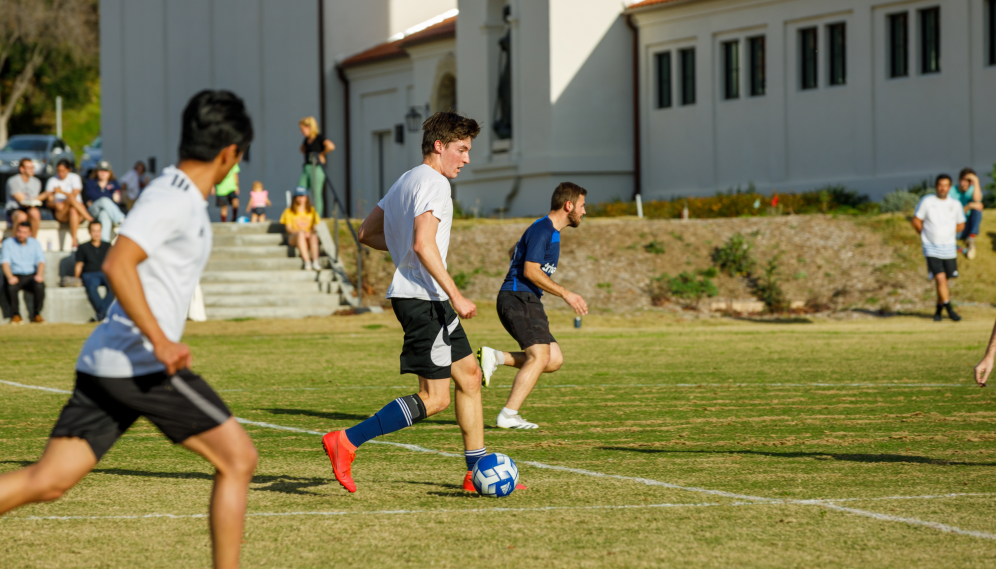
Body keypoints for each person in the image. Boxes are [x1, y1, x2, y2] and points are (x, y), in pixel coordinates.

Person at [0, 90, 258, 569]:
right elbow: (119, 262)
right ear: (229, 154)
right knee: (239, 459)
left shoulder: (178, 195)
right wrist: (161, 341)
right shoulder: (174, 197)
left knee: (48, 481)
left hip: (108, 360)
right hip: (141, 362)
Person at [321, 111, 497, 494]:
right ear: (439, 146)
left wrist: (403, 245)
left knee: (469, 376)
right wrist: (456, 293)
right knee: (434, 400)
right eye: (461, 149)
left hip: (423, 295)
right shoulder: (435, 185)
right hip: (423, 299)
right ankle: (346, 441)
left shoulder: (406, 180)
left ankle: (476, 473)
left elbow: (367, 233)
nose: (466, 158)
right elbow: (422, 243)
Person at [476, 183, 590, 430]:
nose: (584, 211)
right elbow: (530, 270)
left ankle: (495, 357)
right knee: (540, 356)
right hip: (519, 297)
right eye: (582, 205)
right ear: (568, 205)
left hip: (524, 297)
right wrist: (566, 294)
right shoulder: (543, 230)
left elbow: (513, 252)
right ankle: (508, 414)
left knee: (553, 359)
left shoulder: (549, 231)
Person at [913, 174, 965, 322]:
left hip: (949, 247)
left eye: (946, 185)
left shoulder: (955, 204)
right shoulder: (927, 201)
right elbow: (916, 220)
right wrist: (926, 235)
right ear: (936, 186)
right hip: (931, 247)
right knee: (940, 278)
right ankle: (950, 309)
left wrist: (947, 234)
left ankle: (938, 310)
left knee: (944, 281)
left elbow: (961, 224)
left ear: (950, 187)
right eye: (940, 185)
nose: (943, 188)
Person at [1, 221, 45, 323]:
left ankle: (36, 314)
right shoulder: (8, 243)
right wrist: (10, 276)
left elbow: (41, 261)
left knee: (40, 285)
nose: (21, 235)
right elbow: (5, 263)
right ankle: (16, 315)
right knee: (10, 287)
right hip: (15, 274)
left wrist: (39, 275)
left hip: (31, 275)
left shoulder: (35, 243)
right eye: (19, 232)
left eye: (24, 232)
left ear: (29, 233)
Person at [44, 159, 94, 250]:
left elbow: (74, 195)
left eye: (63, 171)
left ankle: (74, 242)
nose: (60, 173)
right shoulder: (52, 181)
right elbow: (48, 202)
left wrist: (60, 192)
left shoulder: (75, 178)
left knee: (73, 209)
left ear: (69, 169)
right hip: (61, 213)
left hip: (77, 213)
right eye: (58, 171)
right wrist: (55, 205)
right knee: (70, 203)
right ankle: (91, 220)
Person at [74, 221, 114, 321]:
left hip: (105, 273)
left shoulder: (108, 245)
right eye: (93, 231)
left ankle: (100, 315)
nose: (96, 233)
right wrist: (76, 279)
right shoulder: (83, 247)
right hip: (89, 274)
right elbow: (79, 264)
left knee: (113, 286)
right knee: (92, 286)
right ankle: (104, 314)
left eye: (98, 231)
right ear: (89, 232)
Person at [5, 158, 50, 238]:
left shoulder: (37, 182)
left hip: (29, 208)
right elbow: (23, 202)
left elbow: (33, 201)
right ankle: (14, 243)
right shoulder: (13, 181)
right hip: (14, 208)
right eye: (29, 168)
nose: (32, 170)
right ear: (22, 169)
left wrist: (48, 194)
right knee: (21, 216)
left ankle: (33, 241)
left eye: (33, 167)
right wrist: (44, 195)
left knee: (35, 213)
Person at [83, 161, 125, 243]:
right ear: (97, 171)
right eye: (101, 170)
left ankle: (104, 243)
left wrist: (112, 198)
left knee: (104, 214)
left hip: (106, 211)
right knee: (104, 200)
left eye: (105, 171)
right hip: (93, 210)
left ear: (109, 172)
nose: (103, 173)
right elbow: (93, 196)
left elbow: (117, 201)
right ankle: (121, 220)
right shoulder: (91, 182)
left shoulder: (114, 183)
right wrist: (111, 197)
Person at [279, 189, 321, 271]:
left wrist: (310, 233)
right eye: (298, 196)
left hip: (308, 235)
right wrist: (300, 232)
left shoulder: (312, 210)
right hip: (294, 236)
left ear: (306, 198)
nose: (300, 198)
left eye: (302, 196)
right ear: (294, 198)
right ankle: (307, 261)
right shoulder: (288, 211)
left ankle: (315, 261)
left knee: (313, 236)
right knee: (301, 235)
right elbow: (289, 229)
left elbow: (314, 227)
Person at [297, 116, 334, 205]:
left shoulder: (318, 138)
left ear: (309, 127)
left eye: (302, 129)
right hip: (307, 167)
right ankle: (300, 212)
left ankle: (317, 215)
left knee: (316, 193)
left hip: (317, 168)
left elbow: (331, 146)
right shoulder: (306, 140)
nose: (301, 132)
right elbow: (302, 149)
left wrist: (321, 154)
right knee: (300, 189)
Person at [951, 168, 983, 260]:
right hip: (956, 228)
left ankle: (971, 239)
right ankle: (964, 250)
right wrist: (968, 206)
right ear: (959, 180)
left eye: (970, 181)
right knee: (945, 241)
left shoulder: (972, 189)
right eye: (965, 180)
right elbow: (953, 217)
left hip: (967, 226)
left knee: (978, 207)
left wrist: (976, 181)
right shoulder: (951, 192)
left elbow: (977, 201)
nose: (966, 184)